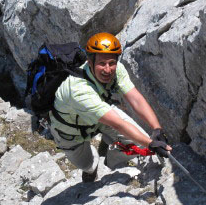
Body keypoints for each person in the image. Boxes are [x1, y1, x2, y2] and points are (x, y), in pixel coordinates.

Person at [49, 32, 171, 182]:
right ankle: (92, 168)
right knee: (87, 164)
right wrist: (152, 144)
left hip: (100, 116)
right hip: (70, 132)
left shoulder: (116, 68)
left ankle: (110, 162)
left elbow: (136, 99)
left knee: (140, 142)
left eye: (111, 63)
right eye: (102, 63)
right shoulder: (78, 90)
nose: (107, 69)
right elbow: (117, 124)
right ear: (90, 61)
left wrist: (157, 129)